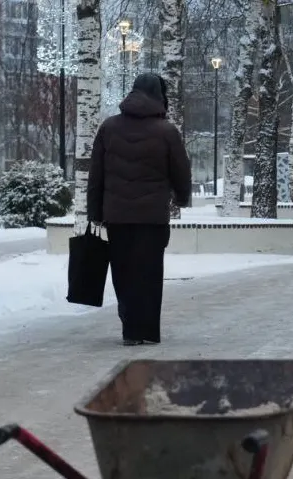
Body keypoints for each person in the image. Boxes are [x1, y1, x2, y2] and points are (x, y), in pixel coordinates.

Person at [87, 73, 191, 346]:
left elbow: (96, 174)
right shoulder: (167, 131)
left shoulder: (109, 128)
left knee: (123, 270)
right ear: (159, 96)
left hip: (117, 216)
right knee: (149, 272)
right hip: (152, 217)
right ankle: (148, 330)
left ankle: (130, 329)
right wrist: (182, 198)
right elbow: (181, 171)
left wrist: (94, 212)